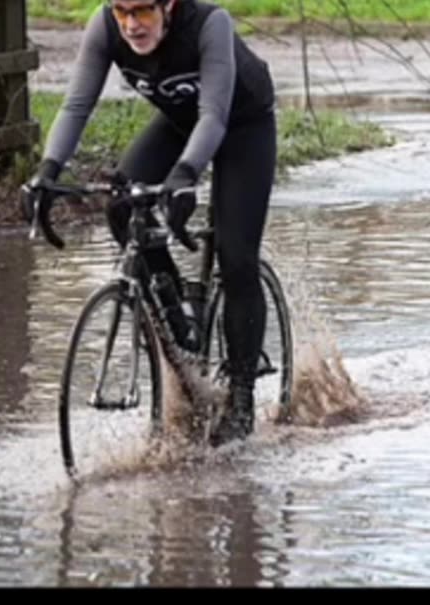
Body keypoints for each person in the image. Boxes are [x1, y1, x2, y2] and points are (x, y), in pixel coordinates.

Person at [22, 0, 277, 447]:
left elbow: (214, 115)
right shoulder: (105, 27)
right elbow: (77, 104)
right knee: (122, 203)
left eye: (141, 11)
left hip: (242, 126)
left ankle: (241, 398)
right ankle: (177, 314)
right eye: (122, 11)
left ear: (169, 6)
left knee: (237, 259)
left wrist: (185, 175)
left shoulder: (208, 23)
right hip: (181, 123)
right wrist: (47, 171)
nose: (130, 24)